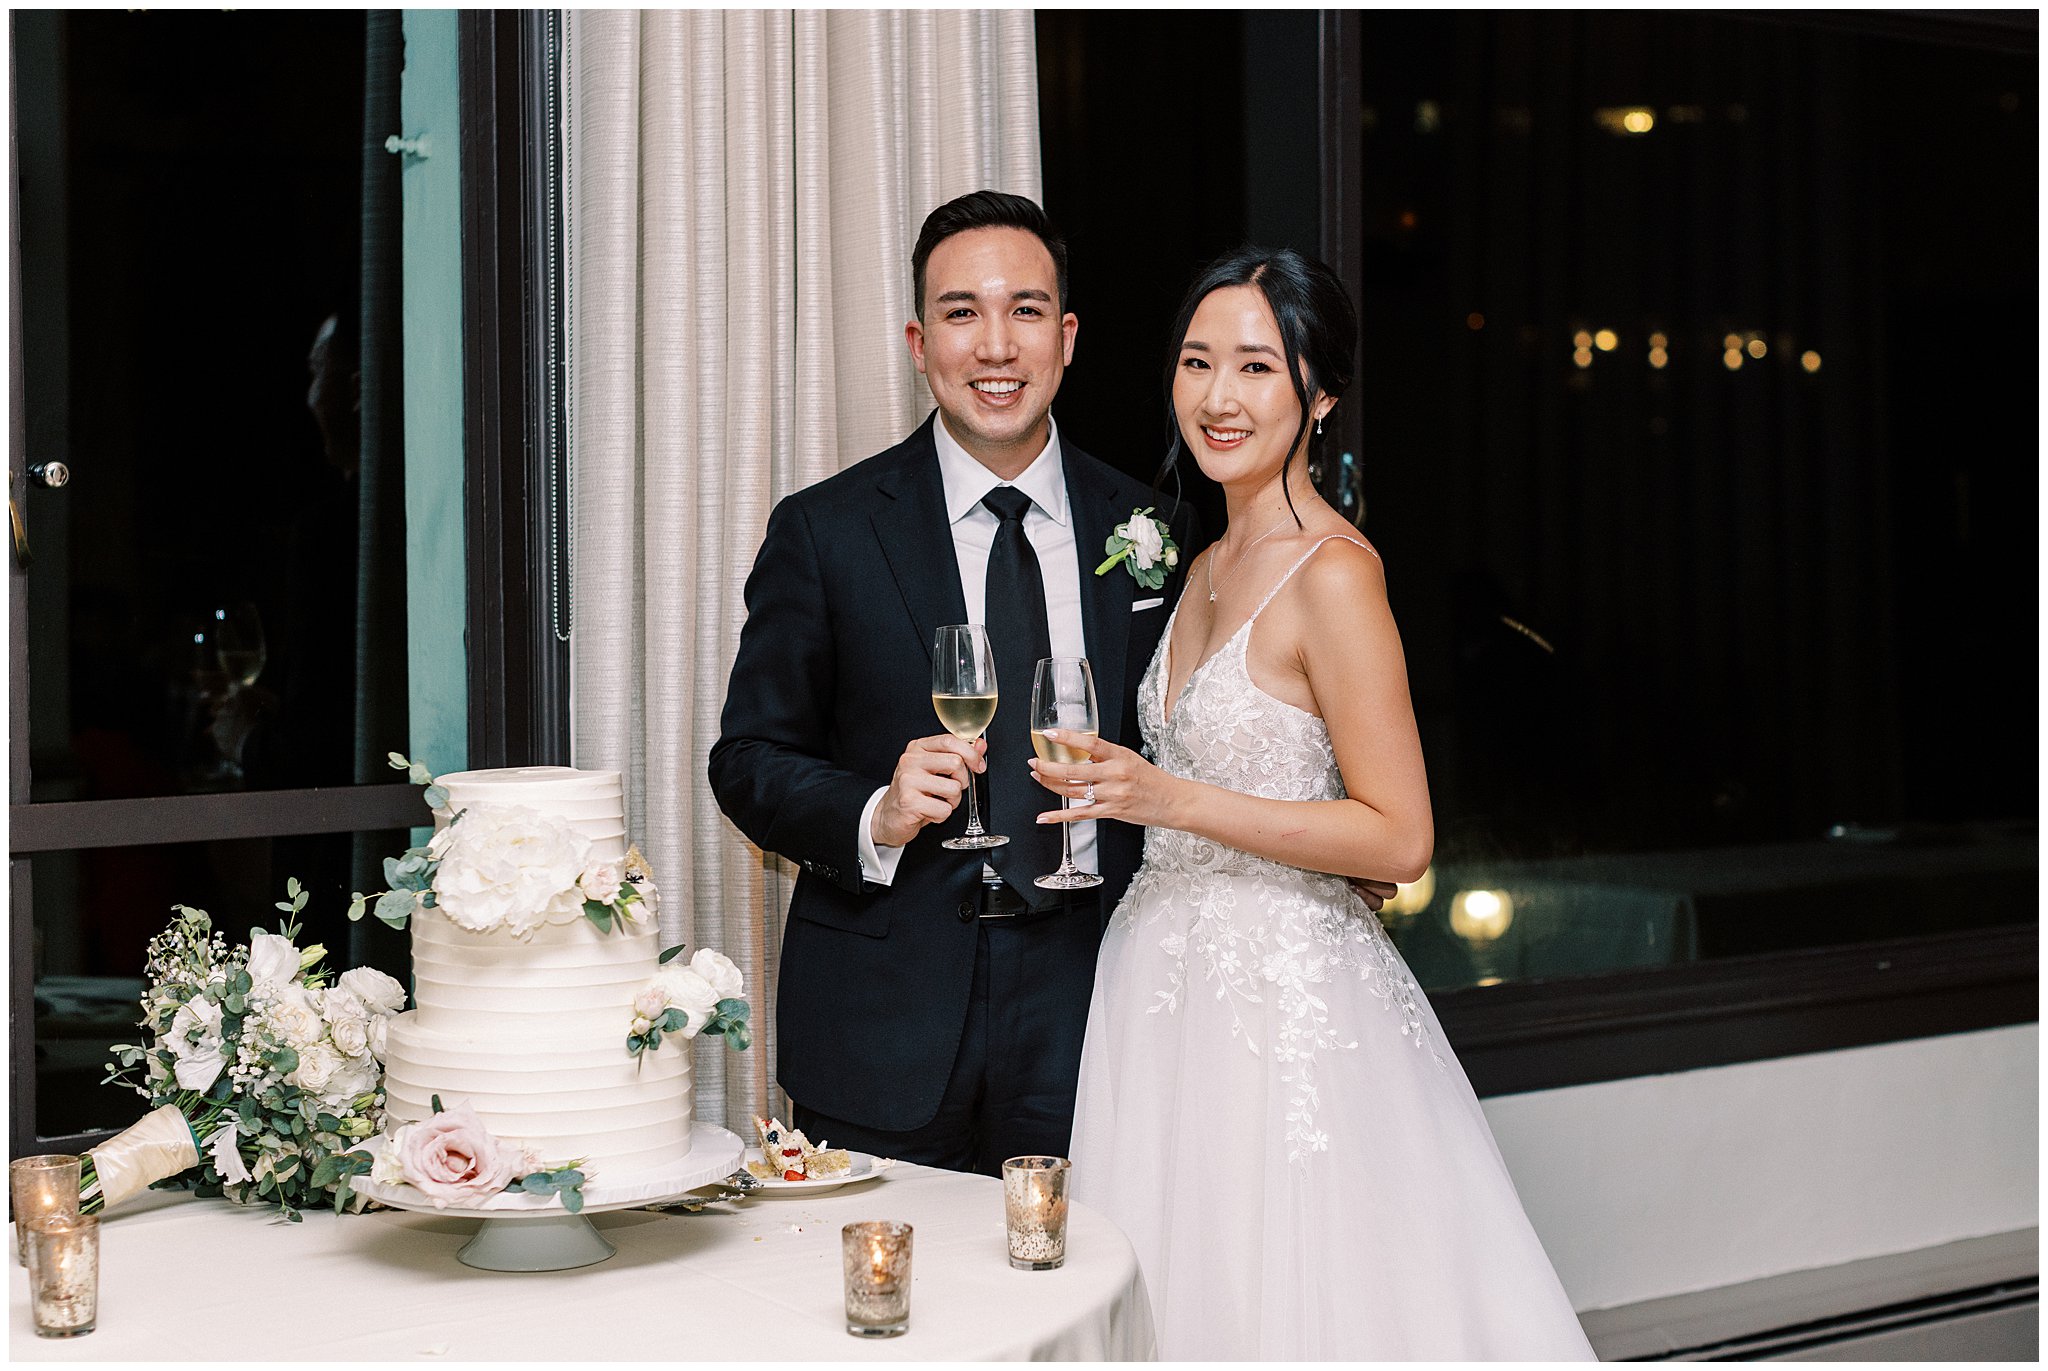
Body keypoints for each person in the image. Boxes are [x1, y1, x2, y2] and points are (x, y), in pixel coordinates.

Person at [1048, 248, 1597, 1359]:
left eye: (1256, 367)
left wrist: (1167, 797)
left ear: (1320, 396)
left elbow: (1399, 834)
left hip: (1281, 1005)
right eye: (1196, 362)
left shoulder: (1334, 574)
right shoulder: (1199, 559)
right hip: (1161, 986)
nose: (1216, 396)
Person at [707, 191, 1201, 1174]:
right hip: (883, 1012)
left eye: (1023, 311)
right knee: (886, 1304)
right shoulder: (827, 530)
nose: (994, 346)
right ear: (917, 341)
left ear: (1064, 339)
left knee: (1079, 1288)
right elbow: (747, 760)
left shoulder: (1153, 531)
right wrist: (874, 813)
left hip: (1095, 997)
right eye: (960, 312)